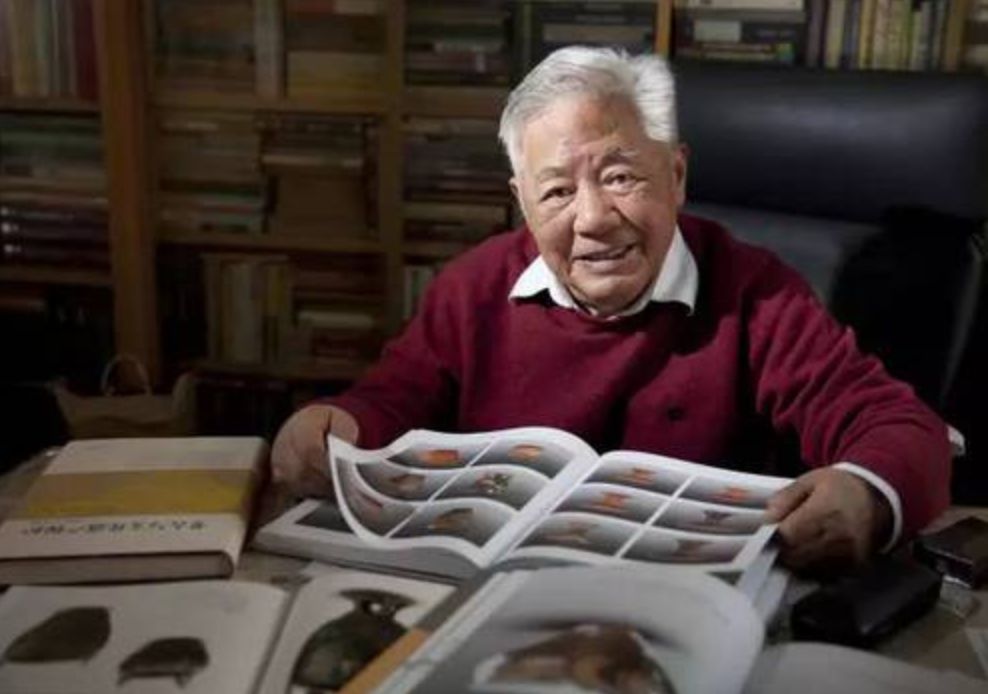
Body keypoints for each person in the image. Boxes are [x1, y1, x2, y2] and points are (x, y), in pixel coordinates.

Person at [271, 47, 950, 572]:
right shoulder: (472, 287)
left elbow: (899, 428)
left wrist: (866, 494)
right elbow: (390, 402)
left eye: (621, 176)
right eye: (557, 192)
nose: (594, 218)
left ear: (676, 176)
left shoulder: (755, 292)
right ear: (522, 202)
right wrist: (336, 427)